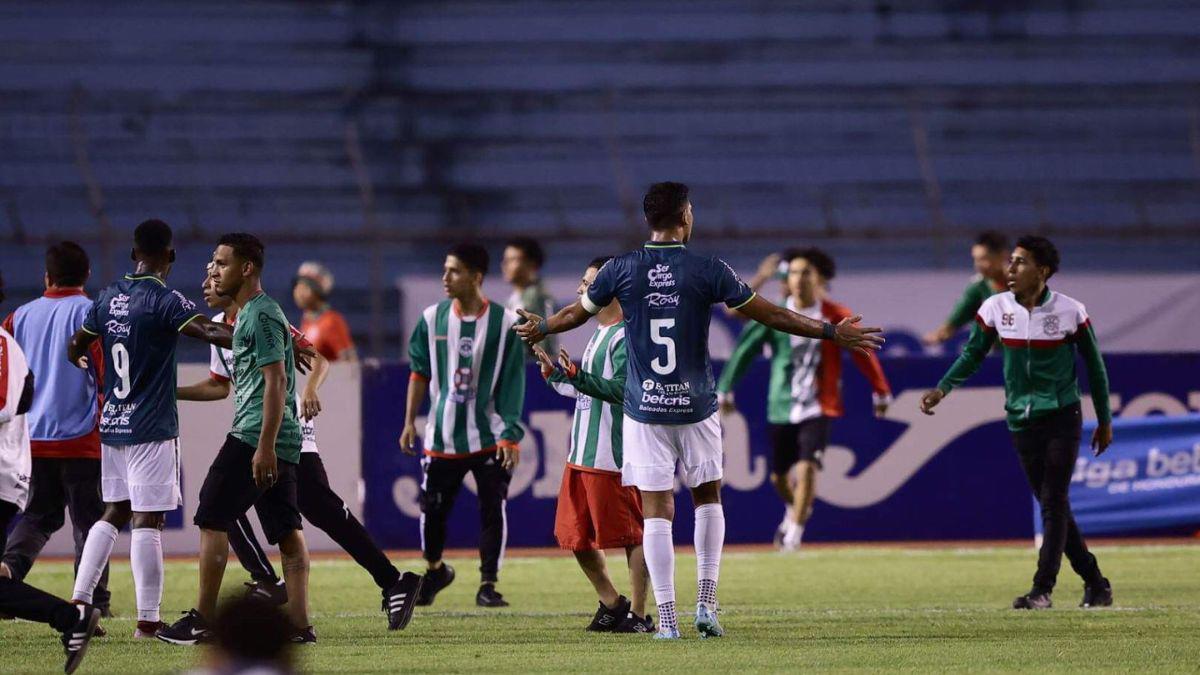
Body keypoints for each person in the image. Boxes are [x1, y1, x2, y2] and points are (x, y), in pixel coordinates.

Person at [514, 182, 884, 639]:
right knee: (707, 499)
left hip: (645, 409)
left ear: (649, 220)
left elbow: (577, 313)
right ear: (686, 216)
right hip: (696, 405)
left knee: (655, 512)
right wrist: (830, 331)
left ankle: (667, 620)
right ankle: (706, 605)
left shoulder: (621, 269)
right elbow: (770, 314)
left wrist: (543, 325)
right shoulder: (709, 269)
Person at [178, 272, 422, 631]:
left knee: (234, 504)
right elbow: (218, 387)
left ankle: (277, 583)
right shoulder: (216, 327)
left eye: (215, 274)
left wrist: (309, 390)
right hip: (256, 429)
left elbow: (318, 359)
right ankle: (385, 583)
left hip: (284, 428)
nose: (206, 283)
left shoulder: (263, 318)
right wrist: (172, 391)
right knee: (244, 507)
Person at [921, 235, 1114, 610]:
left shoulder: (1071, 311)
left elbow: (1095, 367)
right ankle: (1096, 582)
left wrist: (1104, 420)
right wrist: (942, 389)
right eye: (1010, 261)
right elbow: (973, 354)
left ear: (1042, 271)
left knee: (1053, 501)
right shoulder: (994, 307)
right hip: (1020, 419)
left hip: (1061, 415)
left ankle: (1042, 590)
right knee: (1051, 503)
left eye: (1020, 262)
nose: (1010, 269)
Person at [66, 219, 235, 639]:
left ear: (132, 255)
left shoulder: (106, 298)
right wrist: (267, 335)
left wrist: (80, 359)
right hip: (151, 425)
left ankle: (80, 601)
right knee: (149, 518)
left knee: (114, 510)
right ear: (171, 256)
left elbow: (77, 343)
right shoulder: (163, 299)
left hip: (113, 423)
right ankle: (147, 620)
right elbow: (209, 331)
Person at [157, 233, 314, 644]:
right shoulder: (253, 314)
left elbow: (277, 381)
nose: (213, 270)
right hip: (277, 436)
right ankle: (300, 627)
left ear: (247, 269)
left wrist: (264, 446)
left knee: (211, 514)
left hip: (253, 435)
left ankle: (203, 620)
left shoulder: (259, 315)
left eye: (222, 264)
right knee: (286, 533)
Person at [717, 247, 892, 551]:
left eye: (805, 273)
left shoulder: (836, 316)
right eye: (793, 273)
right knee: (779, 478)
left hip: (818, 404)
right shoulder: (774, 315)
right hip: (781, 405)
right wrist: (726, 388)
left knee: (808, 467)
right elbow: (745, 350)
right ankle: (796, 509)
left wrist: (880, 389)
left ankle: (793, 536)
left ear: (820, 278)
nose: (798, 279)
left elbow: (862, 351)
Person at [399, 243, 526, 608]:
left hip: (490, 437)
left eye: (453, 270)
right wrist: (410, 421)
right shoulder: (430, 318)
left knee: (492, 509)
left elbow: (513, 383)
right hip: (441, 436)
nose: (445, 277)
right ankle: (436, 569)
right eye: (444, 269)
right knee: (433, 510)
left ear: (476, 277)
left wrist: (510, 434)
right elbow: (419, 371)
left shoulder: (506, 323)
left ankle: (488, 584)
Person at [531, 256, 652, 634]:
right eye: (583, 282)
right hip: (580, 453)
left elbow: (622, 391)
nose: (582, 290)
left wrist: (579, 376)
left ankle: (640, 614)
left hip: (610, 455)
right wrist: (557, 377)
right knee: (575, 536)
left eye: (589, 283)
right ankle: (613, 603)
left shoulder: (626, 335)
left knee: (631, 536)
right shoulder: (598, 331)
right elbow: (586, 392)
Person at [0, 271, 102, 674]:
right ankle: (72, 613)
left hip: (9, 469)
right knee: (74, 519)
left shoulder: (6, 340)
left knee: (86, 520)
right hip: (44, 447)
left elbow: (7, 404)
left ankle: (78, 611)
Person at [923, 231, 1009, 346]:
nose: (977, 265)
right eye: (976, 259)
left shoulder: (1026, 283)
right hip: (1000, 357)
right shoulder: (978, 287)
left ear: (1002, 256)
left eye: (984, 259)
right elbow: (952, 323)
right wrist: (938, 335)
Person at [502, 236, 558, 356]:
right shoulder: (513, 299)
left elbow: (544, 344)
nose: (505, 265)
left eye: (512, 260)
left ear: (531, 264)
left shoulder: (537, 297)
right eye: (505, 260)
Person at [294, 261, 356, 362]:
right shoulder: (307, 321)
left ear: (318, 292)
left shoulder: (331, 321)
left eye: (305, 287)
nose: (298, 292)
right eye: (297, 286)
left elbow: (350, 363)